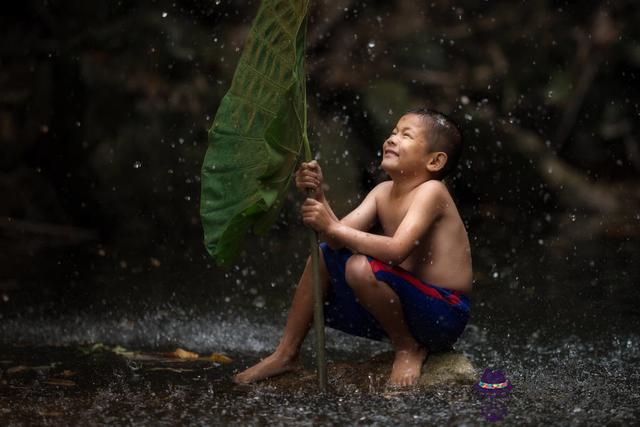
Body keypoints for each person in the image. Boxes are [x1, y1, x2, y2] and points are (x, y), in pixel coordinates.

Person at [233, 107, 472, 387]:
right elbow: (335, 239)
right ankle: (286, 353)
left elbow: (396, 250)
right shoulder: (382, 192)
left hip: (442, 313)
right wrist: (319, 194)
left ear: (435, 161)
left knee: (359, 267)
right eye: (393, 132)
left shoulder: (432, 191)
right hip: (404, 306)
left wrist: (331, 226)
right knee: (322, 255)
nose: (391, 139)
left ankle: (408, 348)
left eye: (406, 135)